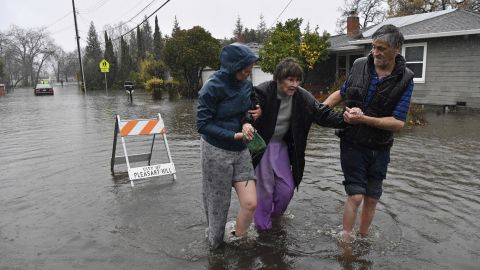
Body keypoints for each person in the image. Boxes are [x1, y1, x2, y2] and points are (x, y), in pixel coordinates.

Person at [323, 24, 414, 241]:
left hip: (380, 147)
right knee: (355, 196)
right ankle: (345, 240)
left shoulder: (406, 79)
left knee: (372, 198)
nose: (376, 53)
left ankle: (363, 239)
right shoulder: (359, 65)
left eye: (382, 48)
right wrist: (320, 110)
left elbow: (398, 122)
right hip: (352, 142)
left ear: (397, 49)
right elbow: (342, 93)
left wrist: (364, 118)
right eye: (373, 47)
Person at [252, 57, 347, 231]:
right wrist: (253, 112)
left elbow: (321, 114)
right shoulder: (264, 90)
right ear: (279, 79)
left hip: (280, 146)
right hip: (261, 145)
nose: (294, 84)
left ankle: (273, 218)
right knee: (264, 190)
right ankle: (262, 229)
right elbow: (248, 105)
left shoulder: (303, 96)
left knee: (287, 189)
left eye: (297, 80)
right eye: (290, 79)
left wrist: (346, 119)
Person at [196, 43, 260, 250]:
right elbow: (202, 125)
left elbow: (244, 112)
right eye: (245, 67)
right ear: (233, 66)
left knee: (250, 203)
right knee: (218, 208)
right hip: (215, 151)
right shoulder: (211, 88)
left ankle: (239, 245)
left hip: (240, 150)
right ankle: (215, 251)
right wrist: (234, 134)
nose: (249, 70)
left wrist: (248, 122)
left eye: (251, 66)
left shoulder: (246, 83)